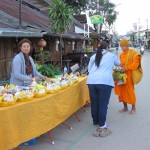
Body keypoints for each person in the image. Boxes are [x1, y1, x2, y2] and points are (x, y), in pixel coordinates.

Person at [87, 41, 120, 137]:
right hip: (105, 82)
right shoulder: (111, 55)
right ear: (107, 48)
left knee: (95, 102)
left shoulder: (94, 56)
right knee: (103, 104)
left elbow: (89, 68)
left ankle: (95, 121)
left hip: (92, 81)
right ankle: (102, 124)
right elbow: (119, 63)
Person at [115, 38, 141, 114]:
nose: (122, 48)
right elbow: (120, 63)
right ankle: (125, 107)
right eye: (121, 46)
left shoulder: (133, 53)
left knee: (130, 91)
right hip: (121, 75)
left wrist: (126, 68)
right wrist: (118, 68)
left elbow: (135, 65)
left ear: (127, 45)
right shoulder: (121, 54)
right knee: (122, 91)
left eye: (123, 46)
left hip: (129, 76)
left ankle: (133, 108)